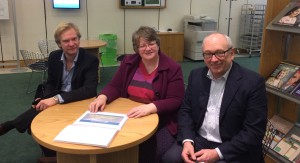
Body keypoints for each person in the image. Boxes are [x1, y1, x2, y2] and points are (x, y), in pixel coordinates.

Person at [162, 32, 268, 163]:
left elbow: (253, 132)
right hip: (199, 139)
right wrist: (187, 141)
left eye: (219, 52)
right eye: (208, 54)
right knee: (170, 159)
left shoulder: (253, 83)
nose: (214, 59)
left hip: (232, 145)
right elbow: (186, 111)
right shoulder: (196, 76)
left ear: (232, 53)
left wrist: (217, 153)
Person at [0, 22, 99, 160]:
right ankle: (51, 156)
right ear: (59, 44)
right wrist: (45, 99)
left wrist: (55, 99)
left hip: (78, 100)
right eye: (66, 41)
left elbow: (89, 90)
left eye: (74, 39)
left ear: (79, 39)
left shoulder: (90, 60)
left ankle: (10, 125)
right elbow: (51, 82)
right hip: (56, 96)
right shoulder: (54, 57)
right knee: (38, 115)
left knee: (34, 119)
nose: (71, 43)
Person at [89, 26, 185, 163]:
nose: (148, 48)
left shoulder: (172, 67)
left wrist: (150, 107)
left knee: (153, 153)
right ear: (136, 49)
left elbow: (175, 100)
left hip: (160, 119)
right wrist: (102, 96)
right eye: (142, 45)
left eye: (152, 44)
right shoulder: (129, 62)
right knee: (109, 143)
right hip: (130, 115)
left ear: (158, 45)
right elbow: (115, 86)